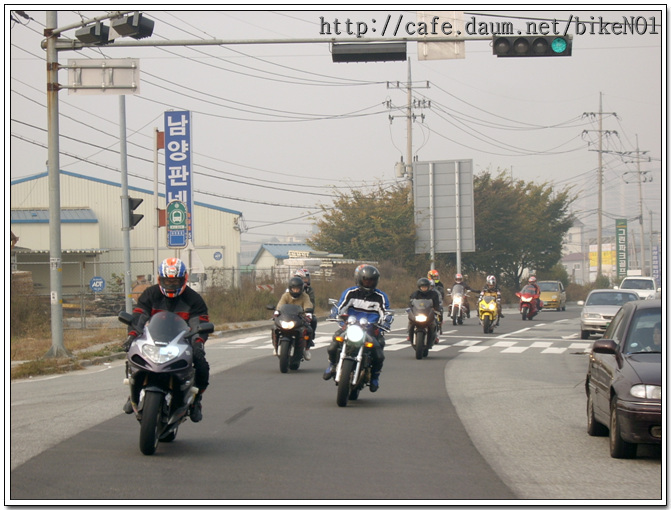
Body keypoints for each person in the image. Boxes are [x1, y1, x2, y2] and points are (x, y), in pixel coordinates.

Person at [122, 258, 211, 423]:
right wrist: (131, 336)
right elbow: (139, 316)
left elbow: (199, 323)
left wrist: (198, 344)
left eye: (175, 281)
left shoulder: (193, 299)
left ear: (184, 279)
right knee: (132, 355)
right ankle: (133, 393)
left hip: (181, 341)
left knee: (201, 365)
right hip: (153, 338)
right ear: (160, 279)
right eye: (167, 281)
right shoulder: (150, 294)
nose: (171, 285)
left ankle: (196, 401)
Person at [323, 265, 392, 392]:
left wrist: (385, 323)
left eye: (371, 280)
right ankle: (332, 365)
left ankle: (375, 377)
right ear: (359, 279)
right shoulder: (350, 292)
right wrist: (335, 315)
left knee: (379, 353)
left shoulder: (380, 296)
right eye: (366, 280)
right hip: (350, 327)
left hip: (370, 330)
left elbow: (386, 312)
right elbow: (340, 307)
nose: (368, 283)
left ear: (376, 281)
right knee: (333, 344)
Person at [273, 276, 314, 360]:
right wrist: (276, 312)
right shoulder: (285, 295)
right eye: (294, 289)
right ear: (290, 288)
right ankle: (275, 347)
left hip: (299, 318)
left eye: (297, 289)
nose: (295, 291)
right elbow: (280, 305)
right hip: (286, 318)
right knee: (274, 328)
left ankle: (306, 349)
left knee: (309, 330)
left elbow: (308, 306)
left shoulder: (305, 296)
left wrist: (308, 314)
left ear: (301, 289)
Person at [407, 277, 442, 344]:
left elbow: (436, 304)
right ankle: (409, 333)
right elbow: (411, 303)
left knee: (436, 322)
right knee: (411, 321)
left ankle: (436, 336)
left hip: (429, 312)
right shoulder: (415, 294)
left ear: (428, 287)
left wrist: (436, 309)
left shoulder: (433, 294)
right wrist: (410, 308)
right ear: (419, 287)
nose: (424, 288)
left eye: (425, 287)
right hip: (418, 312)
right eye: (422, 287)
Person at [294, 268, 318, 344]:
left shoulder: (309, 290)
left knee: (313, 320)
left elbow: (312, 302)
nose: (306, 281)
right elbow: (284, 300)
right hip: (291, 313)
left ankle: (310, 339)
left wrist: (308, 311)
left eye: (307, 279)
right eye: (304, 279)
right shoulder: (290, 289)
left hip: (303, 313)